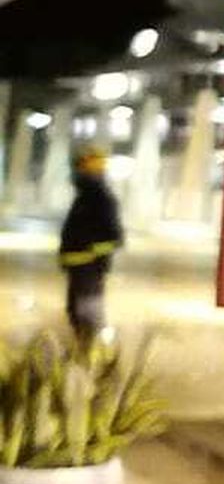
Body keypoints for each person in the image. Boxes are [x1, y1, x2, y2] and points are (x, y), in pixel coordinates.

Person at [59, 145, 124, 340]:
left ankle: (94, 359)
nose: (77, 172)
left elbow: (115, 238)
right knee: (76, 313)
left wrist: (90, 252)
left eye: (81, 168)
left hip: (89, 269)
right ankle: (82, 355)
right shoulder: (84, 197)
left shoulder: (101, 198)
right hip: (77, 267)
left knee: (88, 315)